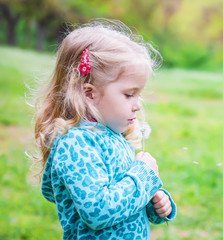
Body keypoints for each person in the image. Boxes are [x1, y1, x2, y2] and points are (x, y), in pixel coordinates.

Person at [33, 19, 177, 240]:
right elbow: (98, 212)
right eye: (129, 94)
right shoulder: (76, 145)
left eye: (139, 94)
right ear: (89, 93)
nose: (137, 104)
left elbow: (123, 201)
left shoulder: (110, 135)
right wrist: (142, 176)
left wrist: (154, 203)